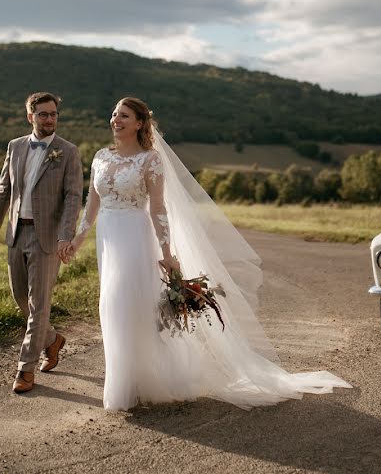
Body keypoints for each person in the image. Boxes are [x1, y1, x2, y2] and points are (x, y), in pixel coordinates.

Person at [70, 97, 350, 411]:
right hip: (109, 241)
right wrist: (77, 240)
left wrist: (167, 253)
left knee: (129, 306)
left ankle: (134, 386)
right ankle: (132, 382)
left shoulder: (150, 160)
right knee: (111, 307)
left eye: (124, 115)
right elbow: (91, 205)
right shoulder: (99, 157)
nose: (116, 120)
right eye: (113, 114)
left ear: (139, 123)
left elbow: (159, 210)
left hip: (136, 239)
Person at [0, 92, 83, 393]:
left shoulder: (68, 151)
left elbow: (73, 197)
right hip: (17, 233)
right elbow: (4, 189)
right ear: (30, 116)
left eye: (53, 114)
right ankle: (52, 340)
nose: (49, 119)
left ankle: (25, 370)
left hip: (47, 238)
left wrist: (65, 236)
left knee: (39, 306)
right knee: (20, 300)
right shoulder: (15, 147)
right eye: (43, 114)